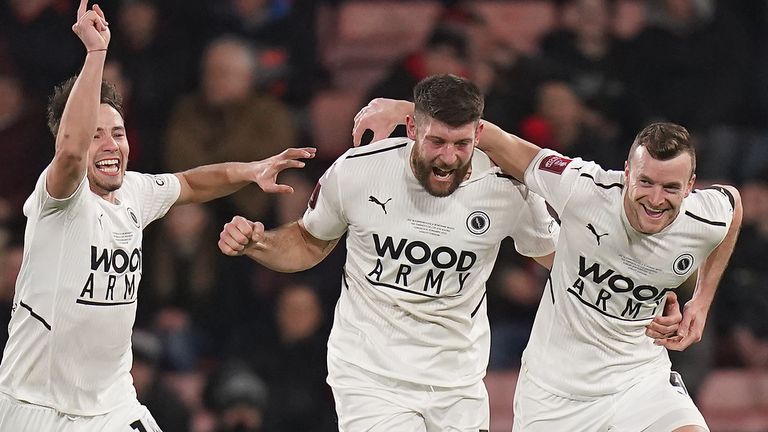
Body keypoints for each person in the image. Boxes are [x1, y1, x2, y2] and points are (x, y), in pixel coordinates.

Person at [219, 74, 680, 431]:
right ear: (411, 127)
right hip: (371, 378)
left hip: (458, 384)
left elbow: (565, 262)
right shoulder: (357, 172)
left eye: (462, 144)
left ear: (478, 135)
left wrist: (641, 296)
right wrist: (258, 243)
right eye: (436, 141)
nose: (447, 157)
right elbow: (307, 243)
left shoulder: (505, 189)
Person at [0, 2, 314, 431]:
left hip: (112, 404)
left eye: (118, 133)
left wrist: (250, 170)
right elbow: (71, 151)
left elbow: (193, 182)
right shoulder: (58, 200)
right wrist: (96, 54)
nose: (111, 145)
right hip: (37, 405)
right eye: (96, 135)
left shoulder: (136, 191)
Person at [352, 96, 742, 431]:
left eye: (671, 188)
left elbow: (733, 205)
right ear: (627, 173)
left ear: (691, 187)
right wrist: (412, 111)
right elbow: (501, 142)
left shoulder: (703, 217)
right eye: (645, 182)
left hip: (638, 382)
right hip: (554, 396)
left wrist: (701, 301)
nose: (656, 199)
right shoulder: (583, 189)